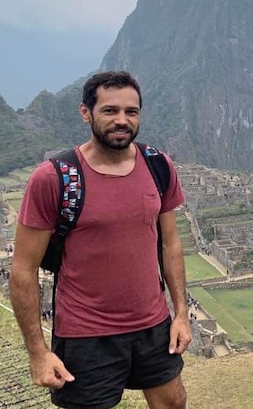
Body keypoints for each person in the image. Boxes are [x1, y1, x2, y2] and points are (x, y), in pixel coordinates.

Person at [10, 71, 190, 409]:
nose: (121, 120)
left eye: (131, 112)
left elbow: (170, 244)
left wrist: (180, 313)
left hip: (152, 324)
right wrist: (37, 352)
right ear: (85, 112)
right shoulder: (54, 179)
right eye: (110, 111)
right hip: (85, 334)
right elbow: (22, 269)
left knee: (173, 402)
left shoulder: (158, 167)